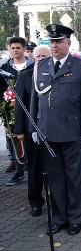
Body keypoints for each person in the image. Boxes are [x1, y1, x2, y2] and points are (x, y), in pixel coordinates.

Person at [30, 24, 81, 235]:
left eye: (59, 41)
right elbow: (35, 99)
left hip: (72, 132)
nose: (55, 45)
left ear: (69, 43)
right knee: (55, 178)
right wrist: (35, 126)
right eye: (52, 42)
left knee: (75, 178)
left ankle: (75, 218)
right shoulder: (40, 66)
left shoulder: (80, 67)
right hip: (48, 132)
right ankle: (59, 218)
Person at [14, 45, 50, 216]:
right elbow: (19, 106)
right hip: (31, 130)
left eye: (45, 55)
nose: (42, 58)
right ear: (34, 58)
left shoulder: (55, 73)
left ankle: (55, 199)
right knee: (35, 168)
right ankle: (35, 201)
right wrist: (20, 130)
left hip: (52, 129)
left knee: (53, 168)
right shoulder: (25, 76)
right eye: (39, 55)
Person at [2, 37, 34, 181]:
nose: (15, 50)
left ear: (23, 49)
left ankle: (31, 166)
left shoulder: (33, 66)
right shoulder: (4, 69)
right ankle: (18, 168)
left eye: (18, 48)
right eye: (12, 48)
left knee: (30, 138)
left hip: (30, 109)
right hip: (10, 110)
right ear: (8, 48)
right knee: (13, 139)